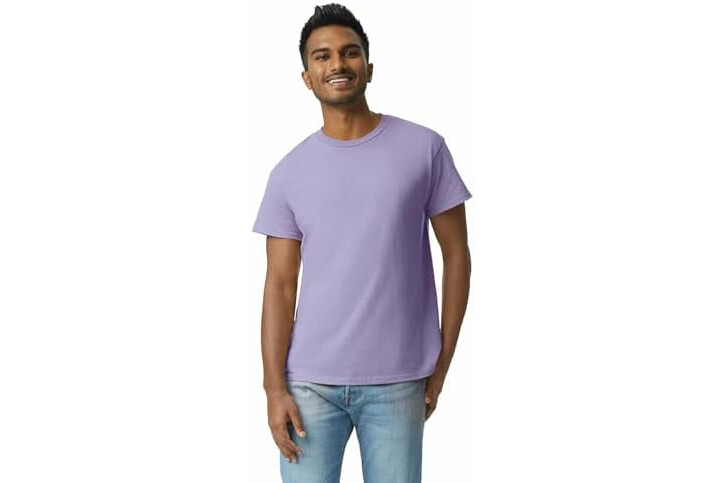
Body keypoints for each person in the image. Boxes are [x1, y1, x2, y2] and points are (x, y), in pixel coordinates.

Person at [252, 4, 472, 482]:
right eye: (323, 55)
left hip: (398, 380)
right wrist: (273, 388)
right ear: (307, 77)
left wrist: (442, 362)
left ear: (369, 67)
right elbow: (280, 286)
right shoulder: (288, 172)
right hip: (308, 384)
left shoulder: (424, 149)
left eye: (349, 52)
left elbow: (456, 256)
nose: (338, 63)